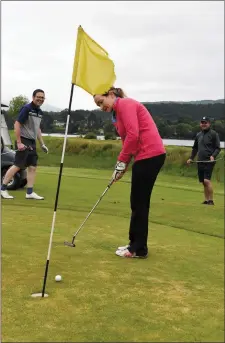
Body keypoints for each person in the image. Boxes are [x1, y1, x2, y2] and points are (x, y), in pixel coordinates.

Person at [94, 87, 166, 258]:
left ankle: (138, 248)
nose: (101, 107)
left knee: (140, 203)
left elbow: (133, 135)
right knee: (137, 202)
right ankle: (134, 244)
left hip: (150, 154)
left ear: (111, 95)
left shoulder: (125, 104)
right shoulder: (117, 114)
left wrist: (121, 161)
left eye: (101, 102)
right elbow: (128, 141)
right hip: (144, 156)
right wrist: (122, 168)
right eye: (98, 105)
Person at [1, 89, 49, 200]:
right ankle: (2, 189)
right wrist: (19, 142)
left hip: (32, 142)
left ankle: (29, 192)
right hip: (23, 140)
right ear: (33, 97)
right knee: (17, 165)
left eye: (42, 97)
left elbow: (37, 129)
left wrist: (42, 144)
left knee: (32, 167)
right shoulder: (27, 109)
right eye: (38, 97)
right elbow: (17, 124)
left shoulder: (39, 112)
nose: (40, 99)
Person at [187, 116, 221, 205]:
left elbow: (218, 148)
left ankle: (211, 200)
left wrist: (213, 156)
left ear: (209, 124)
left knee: (207, 180)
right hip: (200, 161)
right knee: (203, 182)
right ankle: (206, 200)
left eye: (205, 122)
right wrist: (191, 158)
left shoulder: (214, 134)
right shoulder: (198, 135)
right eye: (202, 122)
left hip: (209, 161)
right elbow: (195, 148)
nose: (204, 124)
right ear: (200, 124)